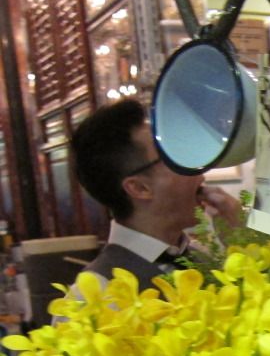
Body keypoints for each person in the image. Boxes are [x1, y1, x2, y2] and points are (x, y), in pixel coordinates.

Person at [69, 98, 241, 287]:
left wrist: (244, 239)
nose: (196, 167)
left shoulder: (205, 257)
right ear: (140, 188)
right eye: (173, 156)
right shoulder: (96, 290)